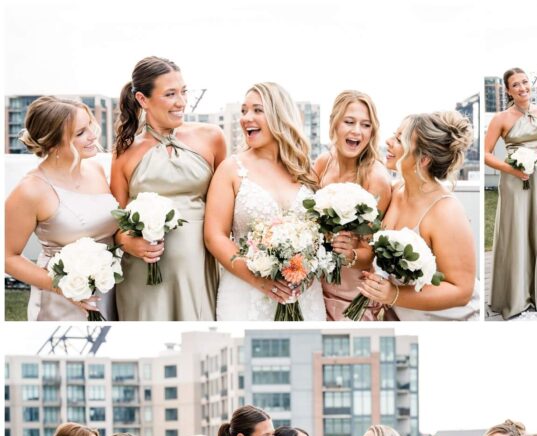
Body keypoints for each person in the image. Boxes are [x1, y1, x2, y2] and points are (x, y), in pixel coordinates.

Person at [111, 56, 225, 320]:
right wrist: (129, 243)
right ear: (142, 99)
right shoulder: (125, 150)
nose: (181, 102)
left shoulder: (212, 137)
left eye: (184, 92)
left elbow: (225, 208)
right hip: (143, 275)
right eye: (170, 94)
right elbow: (114, 221)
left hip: (198, 267)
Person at [205, 82, 326, 320]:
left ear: (279, 116)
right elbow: (214, 237)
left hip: (304, 295)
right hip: (245, 294)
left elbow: (321, 235)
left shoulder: (305, 171)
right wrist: (258, 280)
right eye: (243, 111)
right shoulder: (231, 169)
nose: (246, 118)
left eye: (257, 110)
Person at [5, 97, 117, 320]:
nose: (93, 136)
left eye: (90, 126)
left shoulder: (95, 169)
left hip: (110, 289)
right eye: (80, 133)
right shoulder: (31, 190)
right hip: (60, 303)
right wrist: (63, 287)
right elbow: (7, 256)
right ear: (53, 143)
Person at [357, 112, 477, 319]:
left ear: (424, 159)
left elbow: (461, 291)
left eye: (398, 139)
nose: (388, 141)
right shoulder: (395, 191)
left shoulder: (445, 212)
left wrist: (394, 295)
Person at [314, 90, 392, 320]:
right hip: (316, 286)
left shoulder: (375, 178)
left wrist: (350, 254)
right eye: (349, 122)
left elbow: (370, 253)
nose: (357, 131)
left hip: (351, 293)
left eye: (365, 125)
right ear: (334, 124)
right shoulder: (322, 163)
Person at [485, 68, 537, 318]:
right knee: (516, 231)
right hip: (514, 181)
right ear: (508, 90)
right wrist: (511, 169)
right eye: (516, 85)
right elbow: (486, 154)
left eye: (525, 82)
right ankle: (515, 295)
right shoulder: (500, 118)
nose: (522, 87)